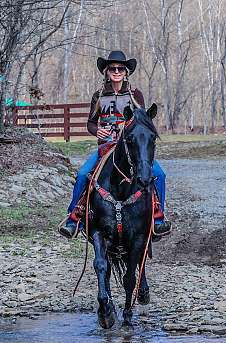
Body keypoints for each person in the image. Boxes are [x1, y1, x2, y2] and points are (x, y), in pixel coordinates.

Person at [59, 50, 172, 239]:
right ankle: (74, 219)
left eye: (121, 68)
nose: (117, 71)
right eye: (113, 68)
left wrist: (126, 129)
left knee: (159, 174)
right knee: (81, 175)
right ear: (107, 72)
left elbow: (142, 121)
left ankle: (157, 219)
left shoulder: (136, 95)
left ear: (126, 72)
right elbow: (90, 122)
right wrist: (97, 131)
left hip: (131, 147)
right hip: (106, 147)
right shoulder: (99, 95)